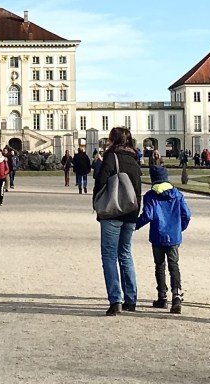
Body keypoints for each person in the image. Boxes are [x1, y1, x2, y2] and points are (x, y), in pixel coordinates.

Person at [93, 126, 142, 316]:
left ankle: (115, 300)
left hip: (113, 211)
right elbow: (137, 189)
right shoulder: (134, 158)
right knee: (126, 254)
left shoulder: (111, 156)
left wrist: (97, 204)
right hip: (130, 211)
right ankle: (131, 299)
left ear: (113, 140)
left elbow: (101, 181)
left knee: (109, 256)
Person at [135, 164, 190, 314]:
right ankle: (177, 295)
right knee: (174, 265)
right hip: (173, 235)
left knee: (159, 265)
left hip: (158, 235)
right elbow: (187, 215)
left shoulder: (150, 196)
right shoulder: (177, 194)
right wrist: (180, 228)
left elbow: (147, 216)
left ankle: (162, 296)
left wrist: (134, 226)